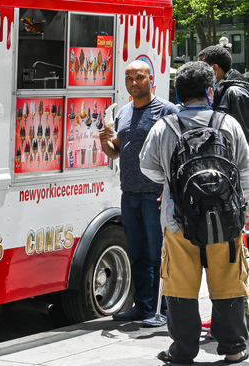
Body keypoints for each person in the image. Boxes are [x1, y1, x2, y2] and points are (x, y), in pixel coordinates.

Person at [139, 61, 249, 364]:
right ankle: (234, 349)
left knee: (180, 285)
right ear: (209, 91)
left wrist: (173, 186)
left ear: (178, 93)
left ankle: (183, 350)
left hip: (178, 221)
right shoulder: (228, 124)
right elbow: (244, 173)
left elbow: (147, 167)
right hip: (226, 221)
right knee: (228, 281)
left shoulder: (165, 126)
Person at [98, 59, 178, 326]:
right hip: (129, 193)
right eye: (129, 78)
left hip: (155, 194)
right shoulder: (123, 112)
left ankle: (163, 309)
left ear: (151, 79)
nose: (134, 83)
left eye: (140, 77)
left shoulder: (167, 110)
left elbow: (179, 153)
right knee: (138, 253)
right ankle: (142, 306)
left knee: (158, 255)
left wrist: (170, 190)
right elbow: (117, 151)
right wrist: (104, 143)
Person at [198, 43, 249, 334]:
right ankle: (226, 316)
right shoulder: (231, 90)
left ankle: (233, 319)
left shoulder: (233, 93)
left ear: (215, 69)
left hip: (236, 188)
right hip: (231, 186)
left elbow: (236, 145)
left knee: (234, 253)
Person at [198, 44, 249, 141]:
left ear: (215, 68)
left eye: (202, 67)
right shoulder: (220, 90)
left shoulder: (235, 93)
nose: (198, 71)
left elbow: (242, 137)